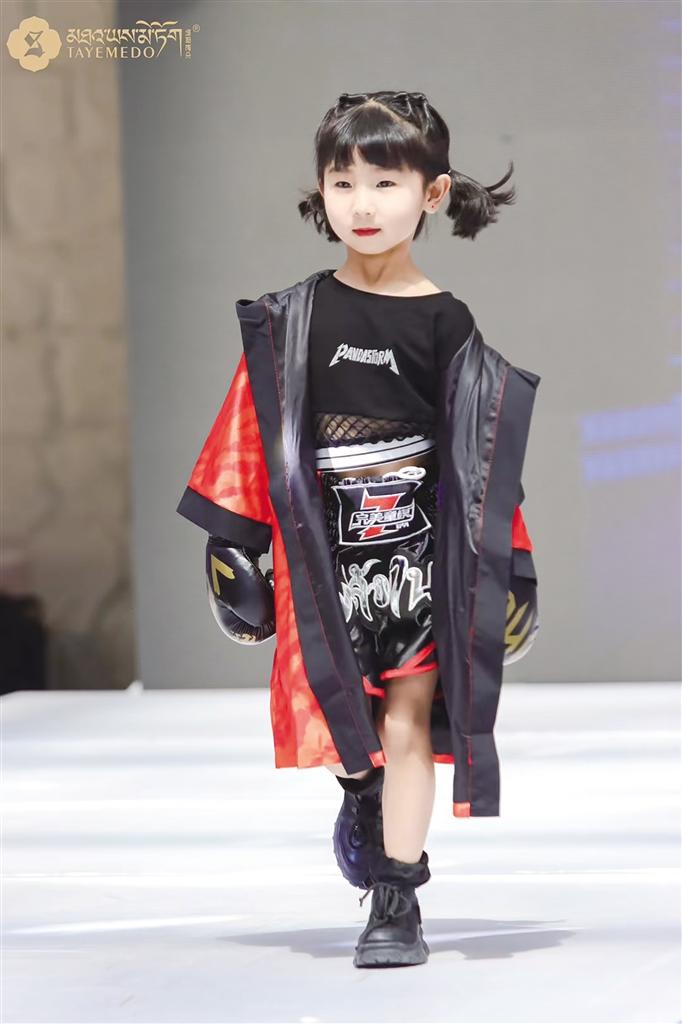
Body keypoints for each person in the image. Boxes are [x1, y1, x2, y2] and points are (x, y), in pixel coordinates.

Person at [177, 90, 541, 969]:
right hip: (321, 555)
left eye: (385, 182)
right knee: (345, 718)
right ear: (322, 191)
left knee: (409, 718)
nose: (363, 204)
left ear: (432, 193)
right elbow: (249, 429)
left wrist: (513, 567)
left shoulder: (446, 322)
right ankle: (361, 791)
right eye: (344, 183)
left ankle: (396, 898)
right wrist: (233, 543)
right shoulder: (294, 316)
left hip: (418, 559)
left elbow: (480, 457)